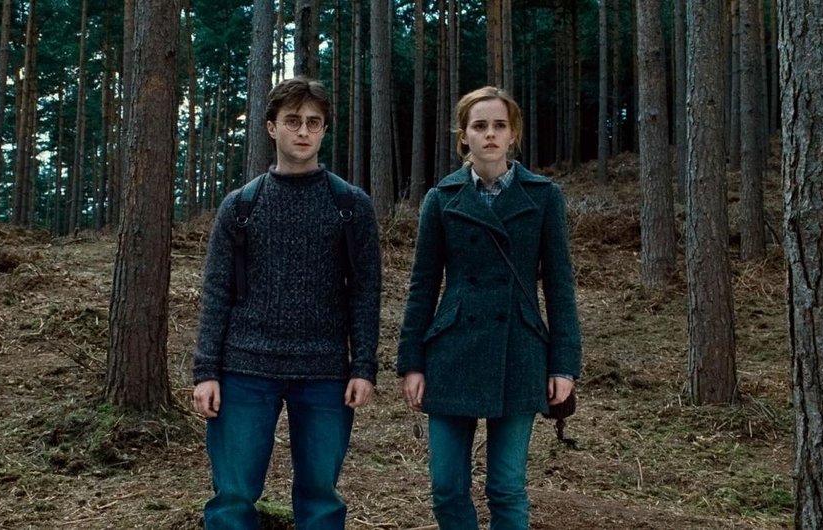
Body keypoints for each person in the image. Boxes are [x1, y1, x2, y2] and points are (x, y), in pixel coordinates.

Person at [192, 77, 381, 530]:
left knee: (321, 499)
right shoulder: (241, 206)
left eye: (314, 123)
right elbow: (216, 291)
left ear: (324, 131)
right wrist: (206, 371)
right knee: (233, 497)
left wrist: (363, 366)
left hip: (325, 371)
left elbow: (365, 291)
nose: (303, 131)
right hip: (245, 368)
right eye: (293, 121)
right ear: (271, 127)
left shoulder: (351, 205)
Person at [397, 86, 581, 529]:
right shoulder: (441, 198)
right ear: (464, 135)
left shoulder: (543, 196)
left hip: (519, 350)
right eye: (480, 126)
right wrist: (411, 363)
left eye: (500, 125)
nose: (490, 134)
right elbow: (422, 286)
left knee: (506, 487)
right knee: (446, 487)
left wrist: (564, 365)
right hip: (452, 351)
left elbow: (560, 287)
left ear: (513, 133)